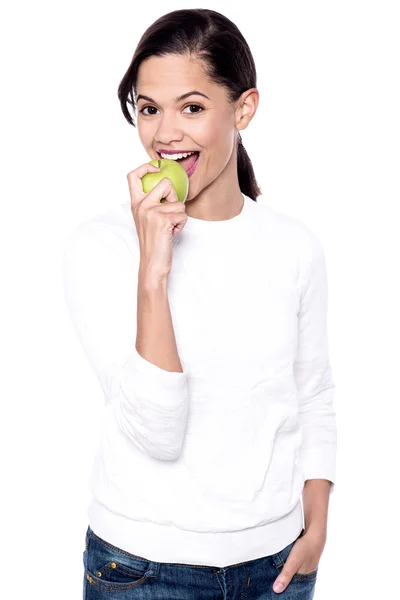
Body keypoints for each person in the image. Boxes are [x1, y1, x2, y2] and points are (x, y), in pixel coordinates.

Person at [62, 8, 337, 599]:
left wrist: (316, 525)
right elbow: (158, 430)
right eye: (148, 108)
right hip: (141, 571)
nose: (165, 134)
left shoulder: (294, 246)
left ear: (244, 109)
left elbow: (312, 391)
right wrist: (153, 269)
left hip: (276, 569)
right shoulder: (103, 246)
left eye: (192, 107)